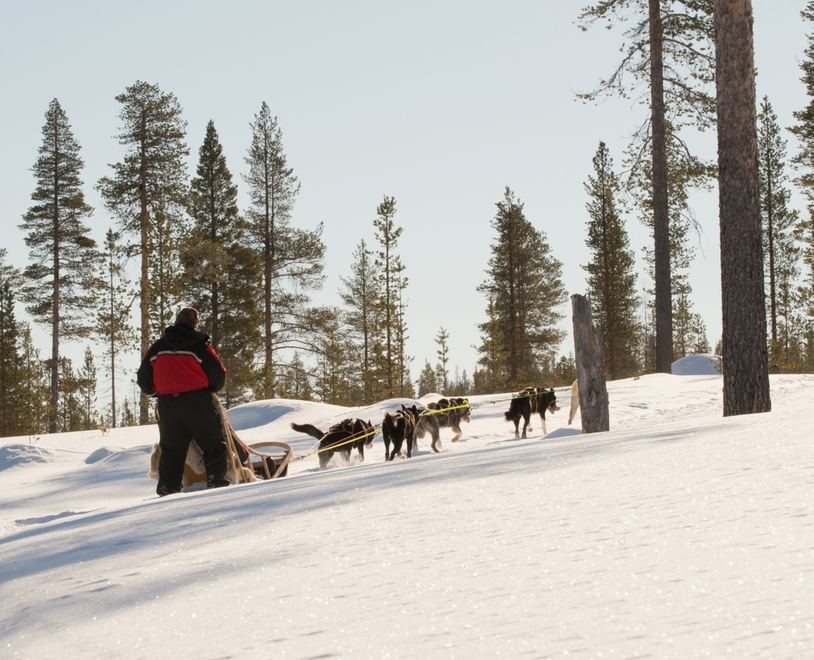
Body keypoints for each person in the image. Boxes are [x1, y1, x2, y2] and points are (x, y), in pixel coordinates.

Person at [137, 307, 230, 497]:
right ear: (195, 324)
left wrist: (159, 392)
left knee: (171, 449)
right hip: (197, 400)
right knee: (214, 444)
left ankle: (167, 488)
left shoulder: (157, 347)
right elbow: (219, 374)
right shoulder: (201, 345)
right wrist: (208, 389)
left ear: (176, 322)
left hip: (167, 404)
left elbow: (143, 378)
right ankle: (216, 482)